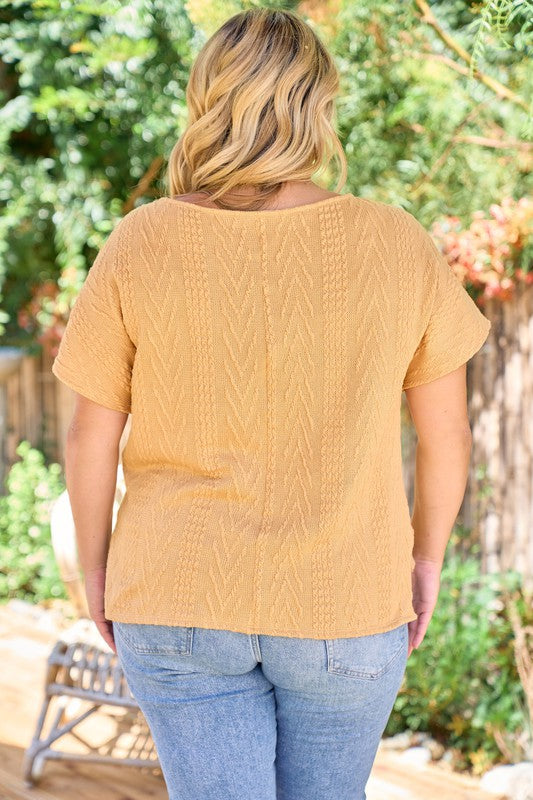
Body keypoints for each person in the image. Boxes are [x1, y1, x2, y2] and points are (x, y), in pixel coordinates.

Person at [51, 7, 491, 800]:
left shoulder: (141, 240)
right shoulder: (396, 242)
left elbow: (90, 434)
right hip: (347, 601)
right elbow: (447, 435)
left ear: (205, 99)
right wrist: (424, 561)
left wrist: (94, 570)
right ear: (319, 103)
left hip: (176, 594)